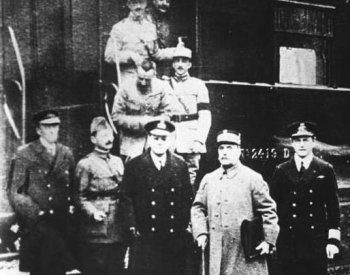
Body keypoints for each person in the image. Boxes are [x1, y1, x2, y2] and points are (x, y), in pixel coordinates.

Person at [191, 129, 279, 275]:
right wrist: (201, 233)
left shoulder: (253, 178)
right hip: (215, 251)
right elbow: (197, 208)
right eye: (221, 148)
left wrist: (268, 241)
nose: (224, 152)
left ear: (239, 151)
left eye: (229, 148)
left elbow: (269, 210)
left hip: (243, 253)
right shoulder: (209, 179)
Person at [7, 110, 79, 275]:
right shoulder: (25, 154)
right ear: (38, 130)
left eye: (55, 126)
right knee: (40, 269)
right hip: (37, 226)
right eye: (48, 127)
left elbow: (74, 187)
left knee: (60, 269)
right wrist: (35, 212)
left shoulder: (65, 153)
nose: (53, 130)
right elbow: (15, 192)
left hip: (61, 223)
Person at [120, 119, 193, 275]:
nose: (159, 142)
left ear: (170, 140)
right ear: (149, 139)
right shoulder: (135, 165)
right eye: (155, 138)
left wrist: (184, 225)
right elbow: (126, 198)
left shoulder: (180, 166)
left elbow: (188, 198)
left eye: (163, 138)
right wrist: (133, 227)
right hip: (146, 237)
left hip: (174, 238)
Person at [270, 122, 341, 275]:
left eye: (306, 140)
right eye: (297, 140)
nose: (302, 144)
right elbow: (272, 207)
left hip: (316, 243)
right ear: (292, 143)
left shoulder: (325, 169)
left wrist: (333, 241)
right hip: (288, 243)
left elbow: (333, 208)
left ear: (313, 141)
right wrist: (271, 239)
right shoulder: (281, 170)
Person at [75, 117, 127, 275]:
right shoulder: (86, 164)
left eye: (110, 135)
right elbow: (79, 196)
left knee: (117, 266)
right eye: (103, 135)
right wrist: (92, 212)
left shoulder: (118, 161)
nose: (109, 139)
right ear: (93, 138)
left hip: (118, 226)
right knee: (96, 268)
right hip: (97, 230)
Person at [166, 40, 212, 190]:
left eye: (184, 61)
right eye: (177, 61)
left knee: (189, 180)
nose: (180, 65)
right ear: (172, 64)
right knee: (167, 177)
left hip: (190, 138)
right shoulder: (164, 85)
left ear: (189, 65)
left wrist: (199, 140)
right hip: (171, 135)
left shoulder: (198, 85)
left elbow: (205, 115)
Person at [111, 60, 173, 160]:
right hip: (131, 140)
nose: (143, 83)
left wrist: (152, 123)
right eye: (140, 78)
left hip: (155, 139)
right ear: (136, 73)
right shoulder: (125, 87)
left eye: (147, 80)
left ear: (154, 75)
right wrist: (141, 122)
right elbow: (116, 116)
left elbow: (167, 113)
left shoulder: (161, 87)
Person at [104, 0, 174, 84]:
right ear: (128, 4)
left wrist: (175, 52)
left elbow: (156, 54)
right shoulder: (119, 28)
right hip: (130, 78)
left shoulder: (150, 27)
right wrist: (130, 56)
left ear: (146, 4)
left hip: (149, 75)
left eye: (141, 2)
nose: (138, 6)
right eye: (134, 3)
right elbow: (109, 56)